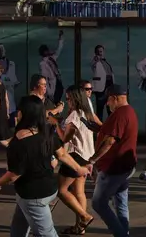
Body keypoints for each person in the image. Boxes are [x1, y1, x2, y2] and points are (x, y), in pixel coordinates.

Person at [0, 95, 91, 237]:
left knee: (46, 234)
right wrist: (79, 168)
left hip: (33, 195)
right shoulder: (47, 134)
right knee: (19, 228)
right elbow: (62, 155)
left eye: (19, 111)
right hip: (46, 189)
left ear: (23, 114)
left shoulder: (18, 143)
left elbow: (14, 174)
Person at [87, 85, 138, 237]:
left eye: (108, 101)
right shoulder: (129, 111)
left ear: (114, 98)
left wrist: (92, 159)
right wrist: (100, 129)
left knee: (98, 203)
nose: (107, 104)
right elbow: (115, 134)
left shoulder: (119, 114)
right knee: (120, 202)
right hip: (125, 167)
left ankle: (121, 234)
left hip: (113, 168)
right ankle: (124, 231)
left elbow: (110, 141)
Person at [53, 86, 97, 235]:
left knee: (62, 190)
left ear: (75, 99)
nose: (67, 101)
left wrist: (56, 124)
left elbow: (65, 138)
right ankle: (80, 227)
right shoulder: (86, 112)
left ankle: (85, 216)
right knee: (79, 192)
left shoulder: (74, 116)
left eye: (68, 98)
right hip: (87, 154)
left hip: (75, 155)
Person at [0, 44, 20, 125]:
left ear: (5, 50)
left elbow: (15, 82)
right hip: (0, 106)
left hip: (11, 105)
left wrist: (9, 86)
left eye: (2, 49)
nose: (1, 51)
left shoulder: (12, 64)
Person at [39, 30, 65, 104]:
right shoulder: (43, 64)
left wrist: (61, 39)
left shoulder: (52, 58)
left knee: (58, 100)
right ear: (44, 52)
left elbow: (58, 50)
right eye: (47, 50)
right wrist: (49, 91)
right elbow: (45, 78)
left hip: (58, 81)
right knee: (54, 102)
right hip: (52, 85)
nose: (49, 51)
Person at [91, 45, 115, 120]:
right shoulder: (95, 61)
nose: (100, 53)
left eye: (101, 51)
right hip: (101, 88)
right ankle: (99, 128)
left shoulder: (106, 62)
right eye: (98, 52)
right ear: (95, 52)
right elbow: (93, 64)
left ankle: (110, 126)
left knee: (110, 109)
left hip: (109, 87)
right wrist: (96, 59)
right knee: (100, 109)